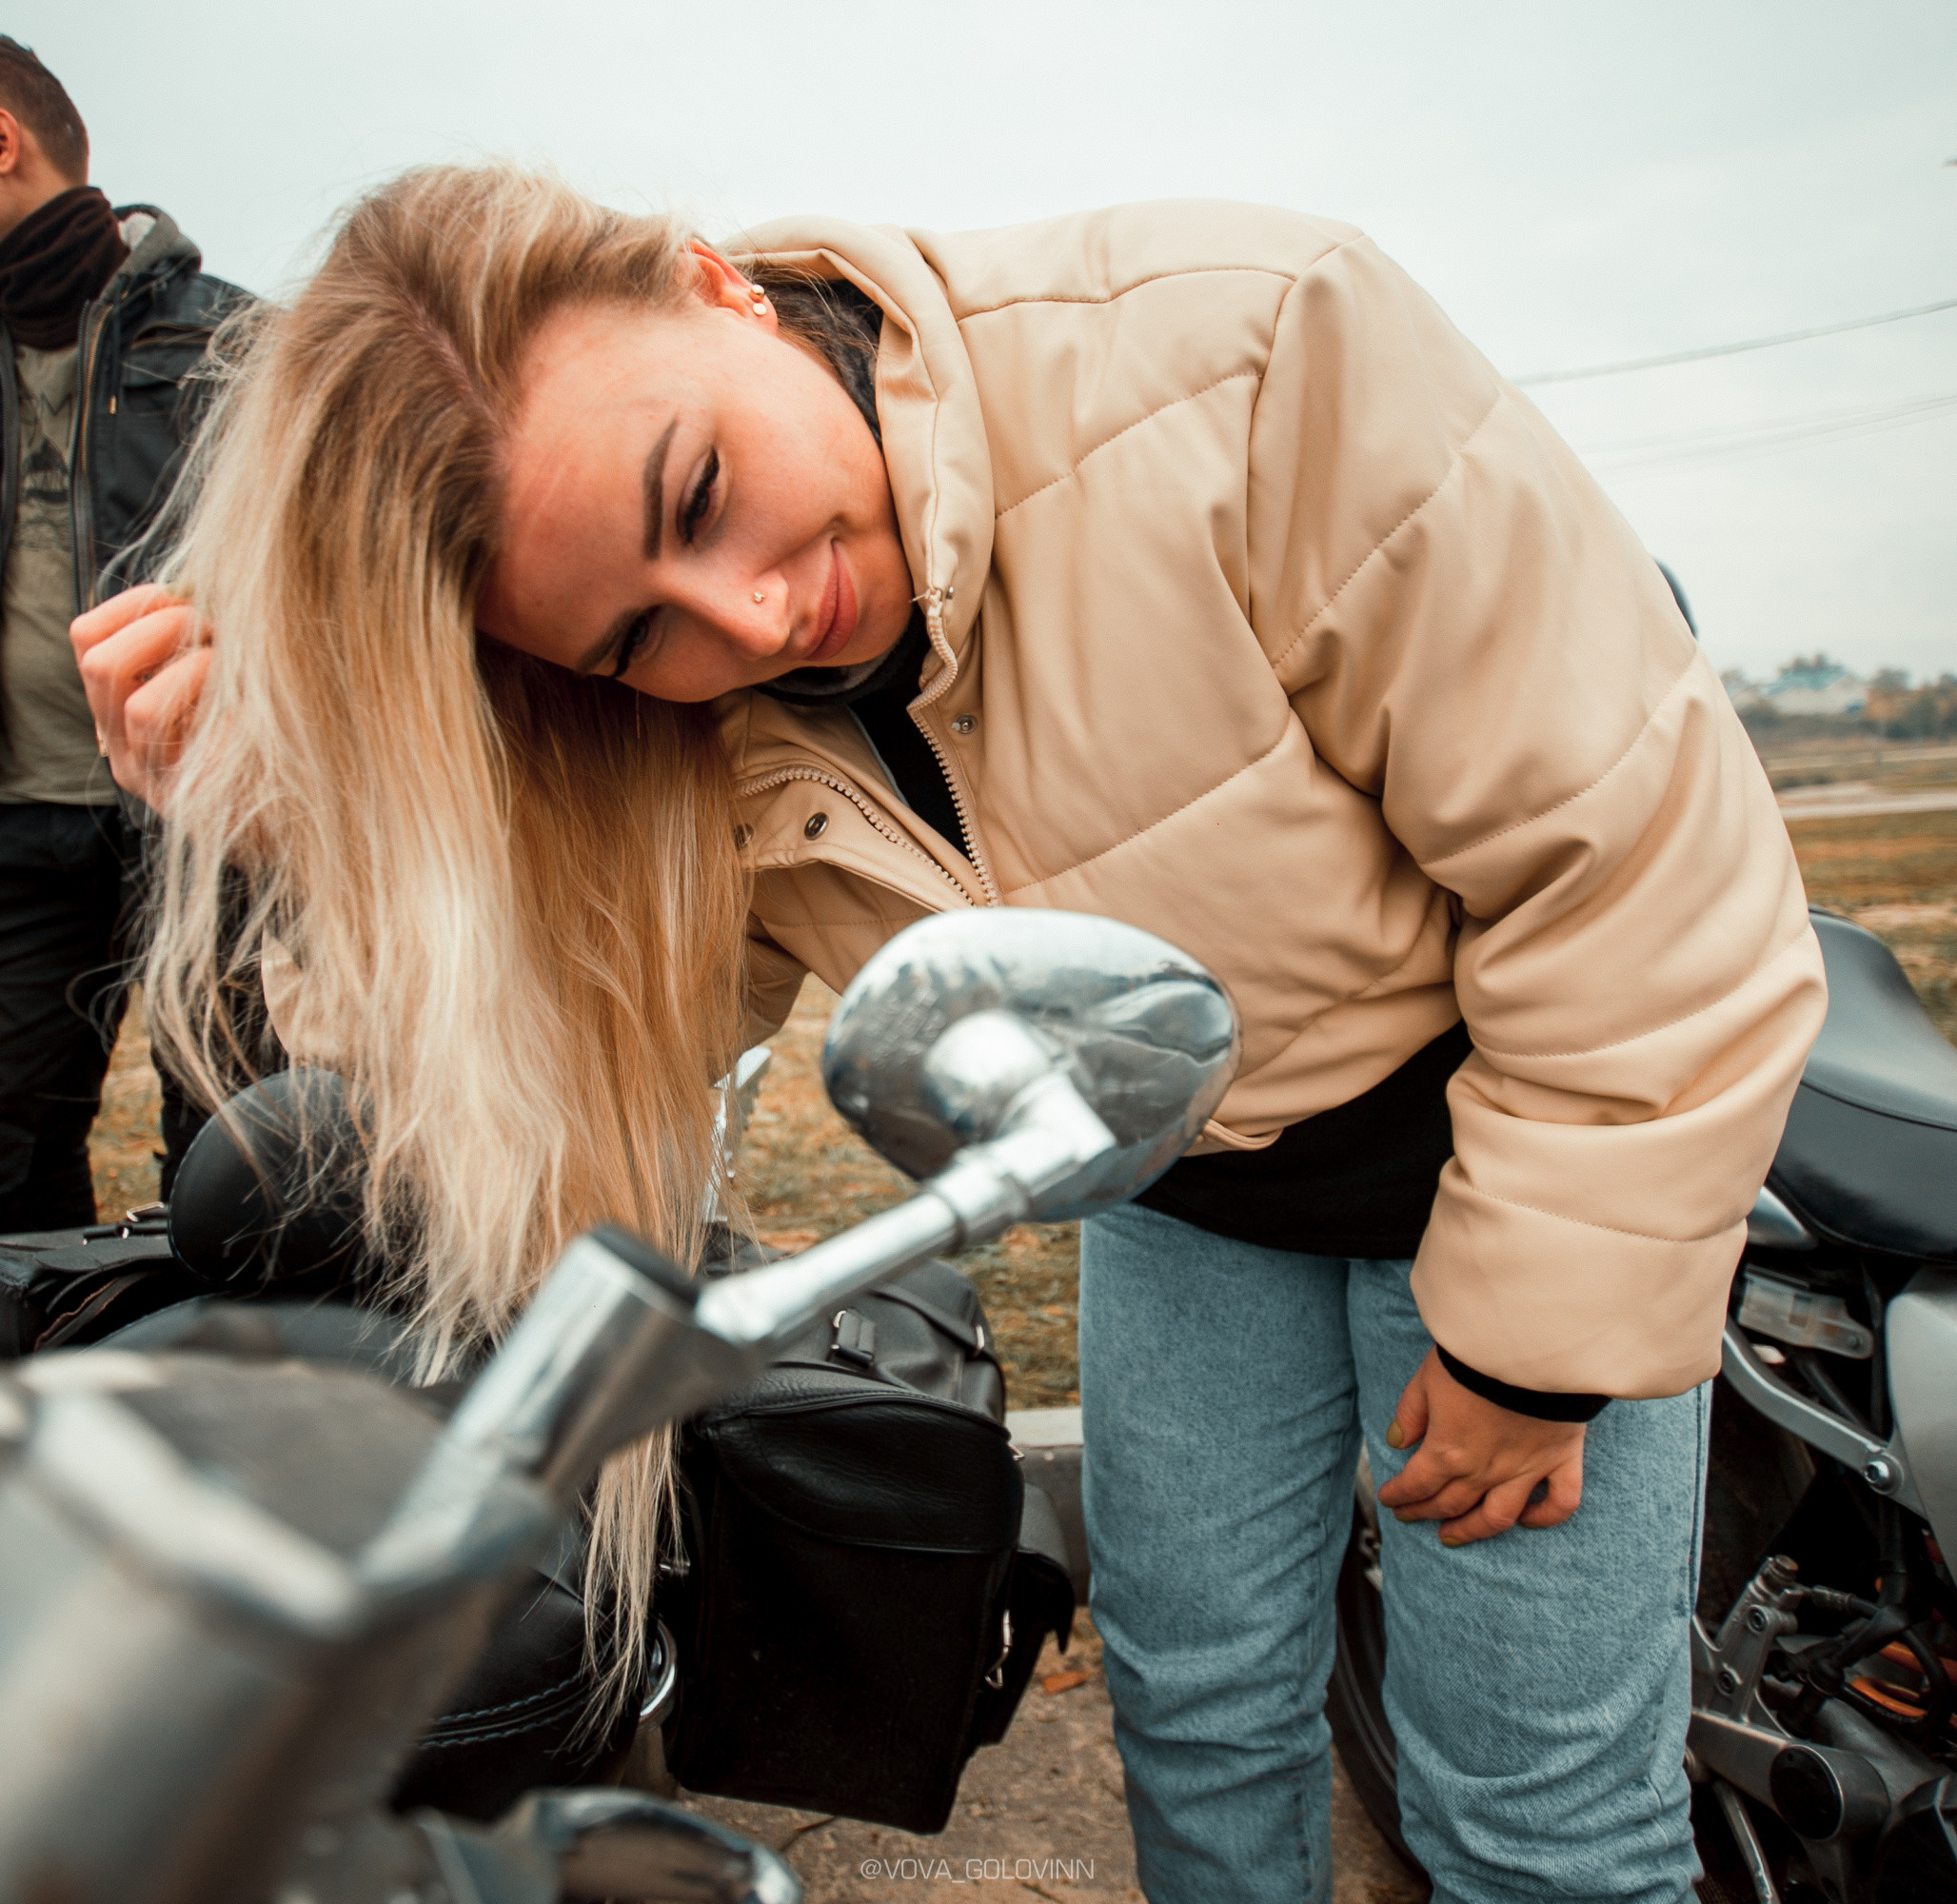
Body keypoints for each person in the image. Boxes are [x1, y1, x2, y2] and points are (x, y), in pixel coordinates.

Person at [73, 167, 1826, 1903]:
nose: (751, 621)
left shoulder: (1244, 354)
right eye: (634, 638)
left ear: (716, 283)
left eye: (698, 490)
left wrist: (1540, 1352)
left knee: (1533, 1812)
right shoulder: (678, 721)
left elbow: (1645, 885)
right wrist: (312, 823)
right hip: (1181, 1183)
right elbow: (580, 1045)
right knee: (1198, 1708)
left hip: (1523, 1141)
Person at [0, 36, 240, 1232]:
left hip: (213, 818)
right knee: (5, 1154)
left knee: (234, 1145)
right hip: (17, 812)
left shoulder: (237, 344)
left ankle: (225, 1393)